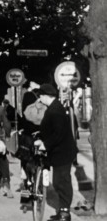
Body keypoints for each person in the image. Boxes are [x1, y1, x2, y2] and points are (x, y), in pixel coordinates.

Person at [34, 84, 78, 221]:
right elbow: (52, 129)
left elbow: (58, 133)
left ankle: (65, 213)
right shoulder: (54, 108)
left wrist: (45, 144)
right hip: (59, 151)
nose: (40, 99)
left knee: (61, 182)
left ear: (46, 96)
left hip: (62, 152)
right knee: (59, 181)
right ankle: (62, 211)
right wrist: (41, 135)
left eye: (41, 96)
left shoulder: (55, 110)